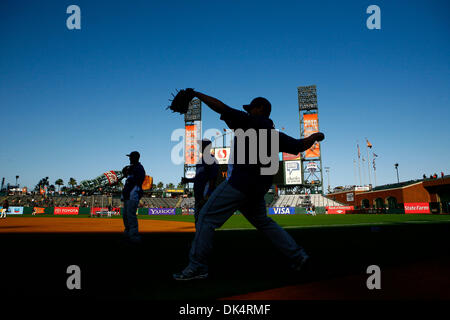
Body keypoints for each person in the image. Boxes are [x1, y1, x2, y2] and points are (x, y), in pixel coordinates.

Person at [173, 90, 325, 280]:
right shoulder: (274, 134)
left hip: (240, 183)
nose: (249, 111)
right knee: (264, 222)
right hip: (258, 189)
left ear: (260, 108)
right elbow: (299, 145)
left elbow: (221, 107)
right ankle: (299, 256)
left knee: (205, 218)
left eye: (251, 108)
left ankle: (198, 266)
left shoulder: (250, 122)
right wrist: (315, 136)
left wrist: (197, 94)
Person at [180, 139, 219, 224]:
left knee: (204, 219)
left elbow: (212, 178)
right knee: (198, 218)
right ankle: (199, 236)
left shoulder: (211, 160)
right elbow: (199, 178)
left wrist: (208, 195)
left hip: (204, 195)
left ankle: (203, 237)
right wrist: (188, 180)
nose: (200, 147)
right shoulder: (201, 160)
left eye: (202, 145)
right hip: (198, 194)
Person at [121, 151, 146, 243]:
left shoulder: (139, 168)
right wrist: (127, 172)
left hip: (133, 194)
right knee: (126, 216)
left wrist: (130, 171)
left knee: (131, 215)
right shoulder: (132, 168)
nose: (129, 159)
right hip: (128, 194)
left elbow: (138, 181)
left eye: (131, 157)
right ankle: (128, 232)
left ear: (136, 158)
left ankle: (134, 235)